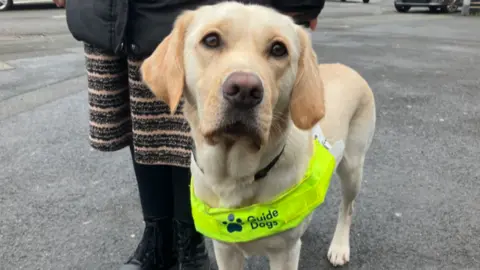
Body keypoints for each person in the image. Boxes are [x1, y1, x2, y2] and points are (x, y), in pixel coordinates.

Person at [52, 0, 325, 269]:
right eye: (213, 41)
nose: (245, 83)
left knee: (160, 133)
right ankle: (159, 237)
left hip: (155, 13)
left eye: (277, 50)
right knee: (146, 134)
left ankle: (189, 240)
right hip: (110, 18)